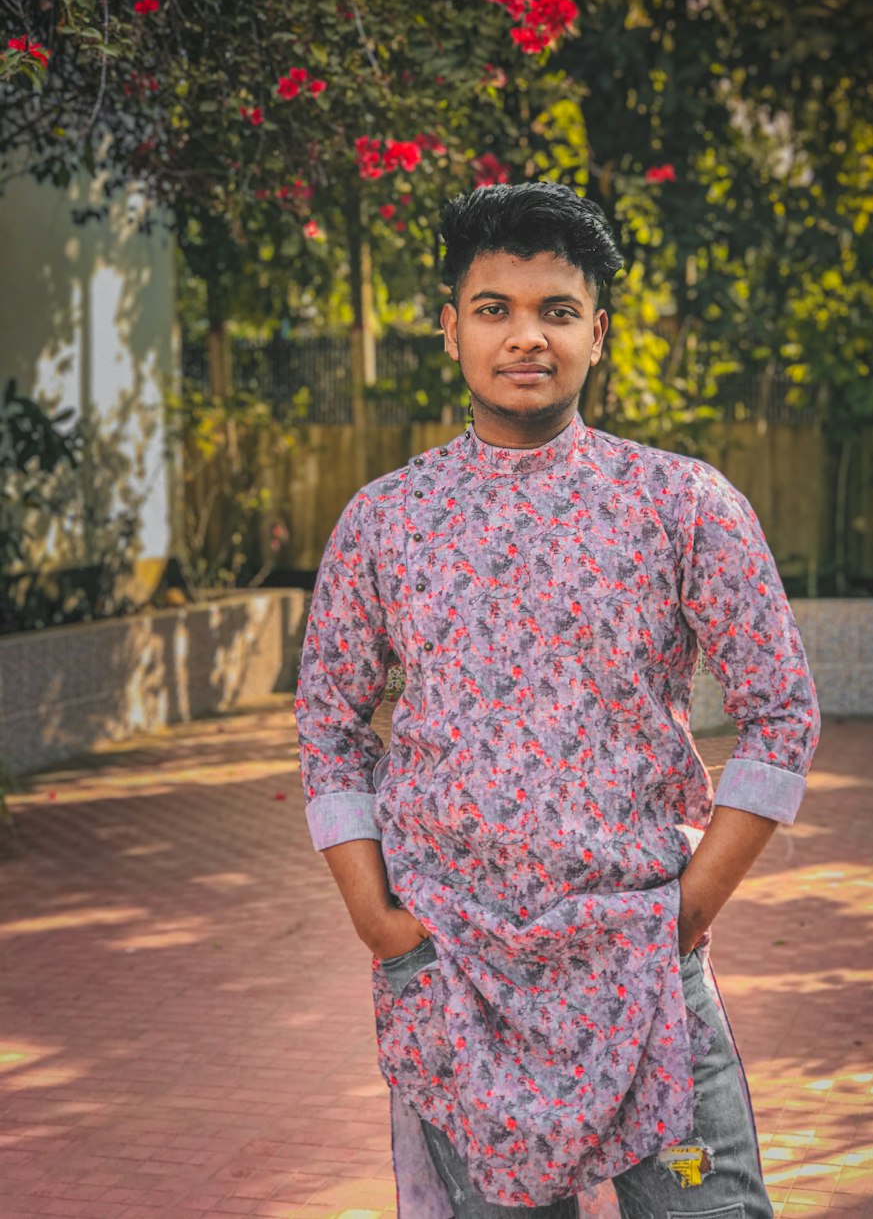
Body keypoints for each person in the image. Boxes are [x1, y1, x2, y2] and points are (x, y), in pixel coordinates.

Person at [296, 182, 820, 1218]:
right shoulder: (385, 521)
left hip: (641, 962)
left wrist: (684, 912)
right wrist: (379, 922)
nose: (524, 336)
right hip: (456, 975)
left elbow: (781, 712)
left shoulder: (681, 502)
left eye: (556, 310)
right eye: (494, 307)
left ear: (599, 333)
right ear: (450, 328)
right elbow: (329, 724)